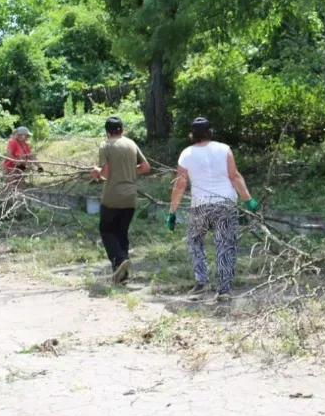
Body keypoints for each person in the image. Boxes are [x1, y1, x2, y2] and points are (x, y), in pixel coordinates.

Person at [167, 117, 260, 301]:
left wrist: (172, 211)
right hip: (225, 204)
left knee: (195, 242)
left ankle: (201, 283)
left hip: (200, 206)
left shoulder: (186, 153)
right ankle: (224, 290)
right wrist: (248, 199)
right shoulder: (224, 149)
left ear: (192, 135)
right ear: (210, 132)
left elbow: (180, 185)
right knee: (225, 246)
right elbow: (234, 176)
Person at [90, 116, 150, 284]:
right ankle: (122, 276)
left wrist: (96, 172)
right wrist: (129, 172)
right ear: (122, 130)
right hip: (130, 197)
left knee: (107, 230)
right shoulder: (131, 143)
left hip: (112, 196)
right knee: (121, 233)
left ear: (107, 132)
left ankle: (119, 259)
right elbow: (145, 167)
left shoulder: (106, 145)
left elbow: (106, 173)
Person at [2, 126, 43, 191]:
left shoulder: (25, 144)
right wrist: (16, 161)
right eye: (26, 136)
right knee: (11, 185)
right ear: (21, 135)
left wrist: (39, 167)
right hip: (10, 167)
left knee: (21, 186)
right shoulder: (12, 142)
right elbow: (9, 154)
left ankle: (20, 198)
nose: (27, 137)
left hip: (20, 168)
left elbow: (31, 156)